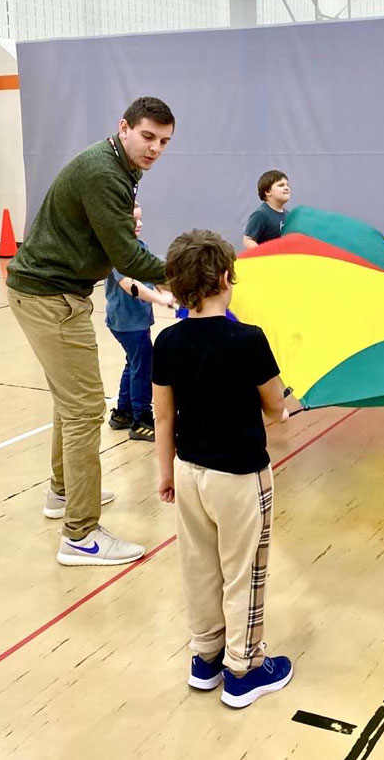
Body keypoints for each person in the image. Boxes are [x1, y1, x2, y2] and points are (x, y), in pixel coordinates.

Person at [6, 96, 175, 566]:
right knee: (84, 410)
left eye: (163, 142)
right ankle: (79, 535)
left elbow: (120, 255)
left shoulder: (119, 168)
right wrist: (193, 272)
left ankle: (62, 493)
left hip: (52, 293)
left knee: (72, 404)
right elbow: (130, 257)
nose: (155, 148)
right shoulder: (104, 173)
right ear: (123, 127)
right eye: (147, 136)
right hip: (51, 298)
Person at [153, 229, 292, 709]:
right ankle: (244, 669)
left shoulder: (167, 341)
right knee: (244, 571)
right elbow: (274, 406)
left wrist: (165, 473)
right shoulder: (249, 339)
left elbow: (163, 414)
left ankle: (205, 656)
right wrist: (281, 409)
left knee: (199, 567)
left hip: (189, 473)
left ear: (177, 284)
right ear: (227, 277)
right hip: (240, 477)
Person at [105, 202, 176, 443]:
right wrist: (159, 298)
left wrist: (174, 293)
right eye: (133, 220)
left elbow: (154, 276)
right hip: (126, 322)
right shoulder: (117, 251)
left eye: (140, 219)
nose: (139, 224)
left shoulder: (140, 248)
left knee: (134, 362)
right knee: (144, 364)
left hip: (137, 321)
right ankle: (142, 419)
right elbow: (130, 286)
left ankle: (123, 412)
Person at [242, 170, 290, 249]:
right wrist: (263, 254)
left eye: (287, 185)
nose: (286, 188)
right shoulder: (261, 214)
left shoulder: (288, 215)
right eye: (281, 185)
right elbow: (247, 240)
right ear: (268, 192)